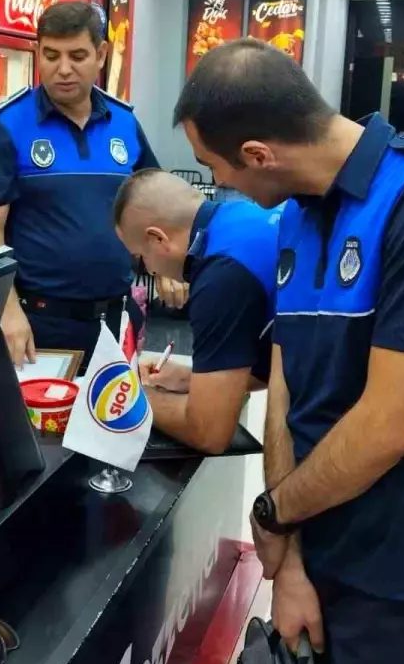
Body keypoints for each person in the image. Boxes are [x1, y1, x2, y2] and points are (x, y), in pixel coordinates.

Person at [173, 38, 404, 664]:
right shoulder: (297, 215)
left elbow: (388, 425)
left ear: (258, 154)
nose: (219, 186)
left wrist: (273, 514)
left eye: (215, 168)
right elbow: (287, 390)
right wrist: (291, 557)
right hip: (321, 550)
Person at [0, 1, 178, 367]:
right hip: (39, 322)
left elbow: (157, 202)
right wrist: (6, 309)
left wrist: (170, 265)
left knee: (120, 405)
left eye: (77, 56)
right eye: (51, 55)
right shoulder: (8, 124)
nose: (63, 69)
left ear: (101, 55)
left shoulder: (124, 122)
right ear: (38, 53)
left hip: (116, 318)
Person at [112, 170, 280, 454]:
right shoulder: (242, 216)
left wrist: (128, 396)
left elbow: (209, 432)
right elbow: (274, 357)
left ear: (157, 239)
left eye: (140, 258)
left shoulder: (221, 275)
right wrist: (191, 378)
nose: (149, 270)